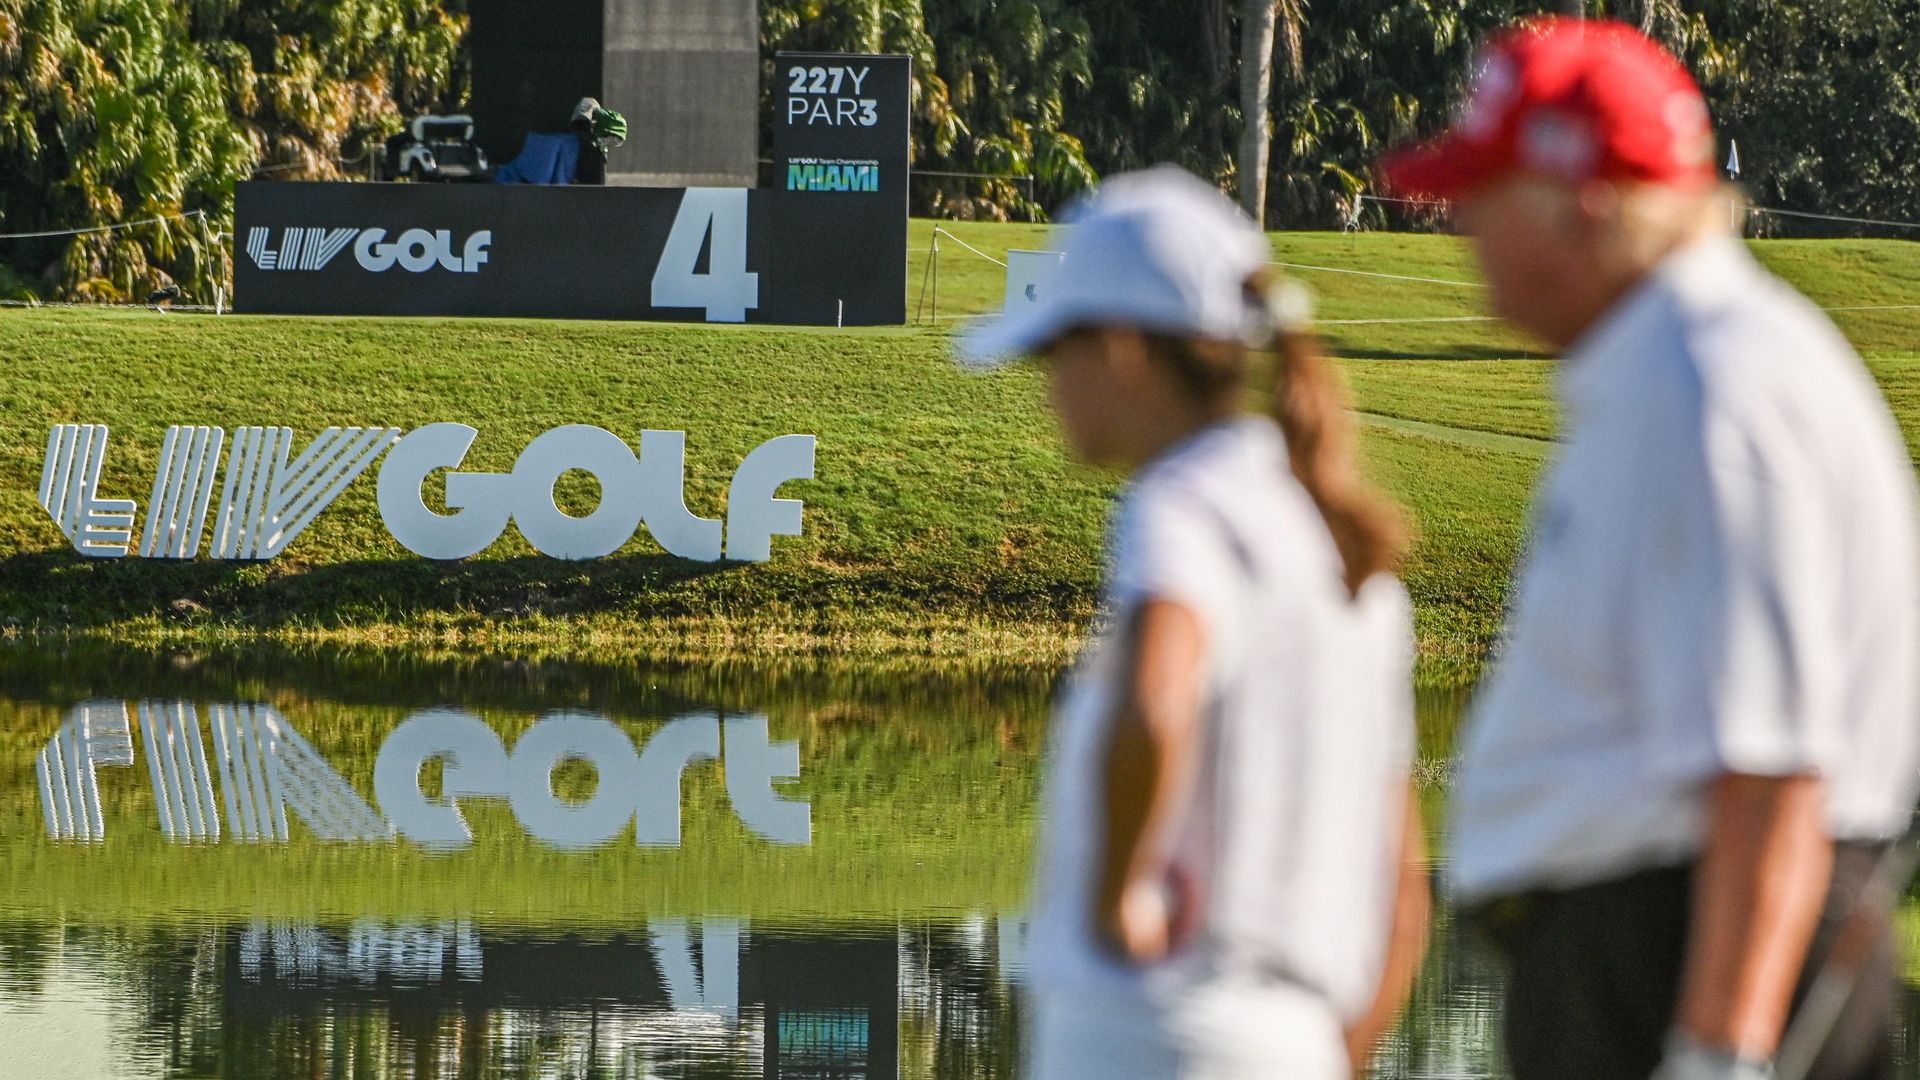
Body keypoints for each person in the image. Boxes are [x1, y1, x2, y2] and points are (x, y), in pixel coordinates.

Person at [1380, 17, 1920, 1080]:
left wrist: (1716, 1053)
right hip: (1649, 951)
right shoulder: (1670, 369)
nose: (1460, 226)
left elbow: (1768, 773)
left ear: (1584, 206)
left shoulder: (1707, 389)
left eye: (1485, 194)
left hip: (1682, 961)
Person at [956, 166, 1431, 1080]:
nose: (1049, 386)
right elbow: (1402, 895)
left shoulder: (1182, 504)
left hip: (1142, 1033)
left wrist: (1118, 899)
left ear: (1126, 350)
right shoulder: (1344, 554)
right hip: (1296, 1045)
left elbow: (1155, 701)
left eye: (1059, 354)